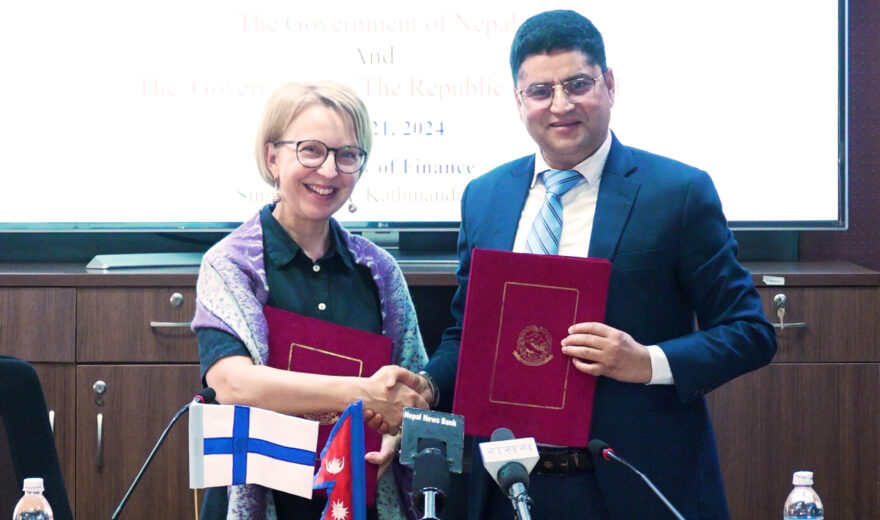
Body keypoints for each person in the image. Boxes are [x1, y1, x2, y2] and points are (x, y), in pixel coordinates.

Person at [385, 9, 777, 520]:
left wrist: (647, 361)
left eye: (577, 84)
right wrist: (430, 384)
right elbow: (470, 334)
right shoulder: (485, 196)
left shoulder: (678, 192)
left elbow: (750, 333)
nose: (561, 105)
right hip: (505, 484)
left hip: (629, 484)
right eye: (540, 91)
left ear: (609, 85)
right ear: (519, 100)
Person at [191, 81, 430, 520]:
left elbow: (413, 390)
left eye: (347, 155)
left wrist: (397, 432)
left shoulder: (379, 271)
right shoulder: (230, 265)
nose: (329, 171)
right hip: (262, 502)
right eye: (311, 151)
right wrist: (363, 395)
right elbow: (232, 385)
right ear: (272, 158)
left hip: (359, 502)